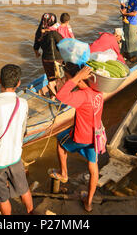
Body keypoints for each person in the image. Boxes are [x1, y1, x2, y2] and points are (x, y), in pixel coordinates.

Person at [49, 64, 106, 212]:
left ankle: (64, 174)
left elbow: (60, 96)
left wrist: (75, 78)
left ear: (79, 78)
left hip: (82, 136)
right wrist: (77, 78)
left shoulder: (82, 96)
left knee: (60, 143)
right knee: (93, 169)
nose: (67, 80)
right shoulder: (98, 92)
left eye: (67, 77)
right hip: (95, 136)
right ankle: (88, 203)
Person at [0, 64, 33, 216]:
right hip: (15, 156)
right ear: (18, 84)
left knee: (2, 198)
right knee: (24, 189)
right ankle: (31, 212)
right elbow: (23, 130)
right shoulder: (22, 103)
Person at [33, 13, 65, 96]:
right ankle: (58, 95)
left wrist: (37, 54)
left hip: (45, 60)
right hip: (57, 59)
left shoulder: (39, 33)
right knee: (60, 78)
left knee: (50, 78)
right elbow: (64, 44)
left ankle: (52, 96)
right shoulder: (54, 33)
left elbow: (36, 47)